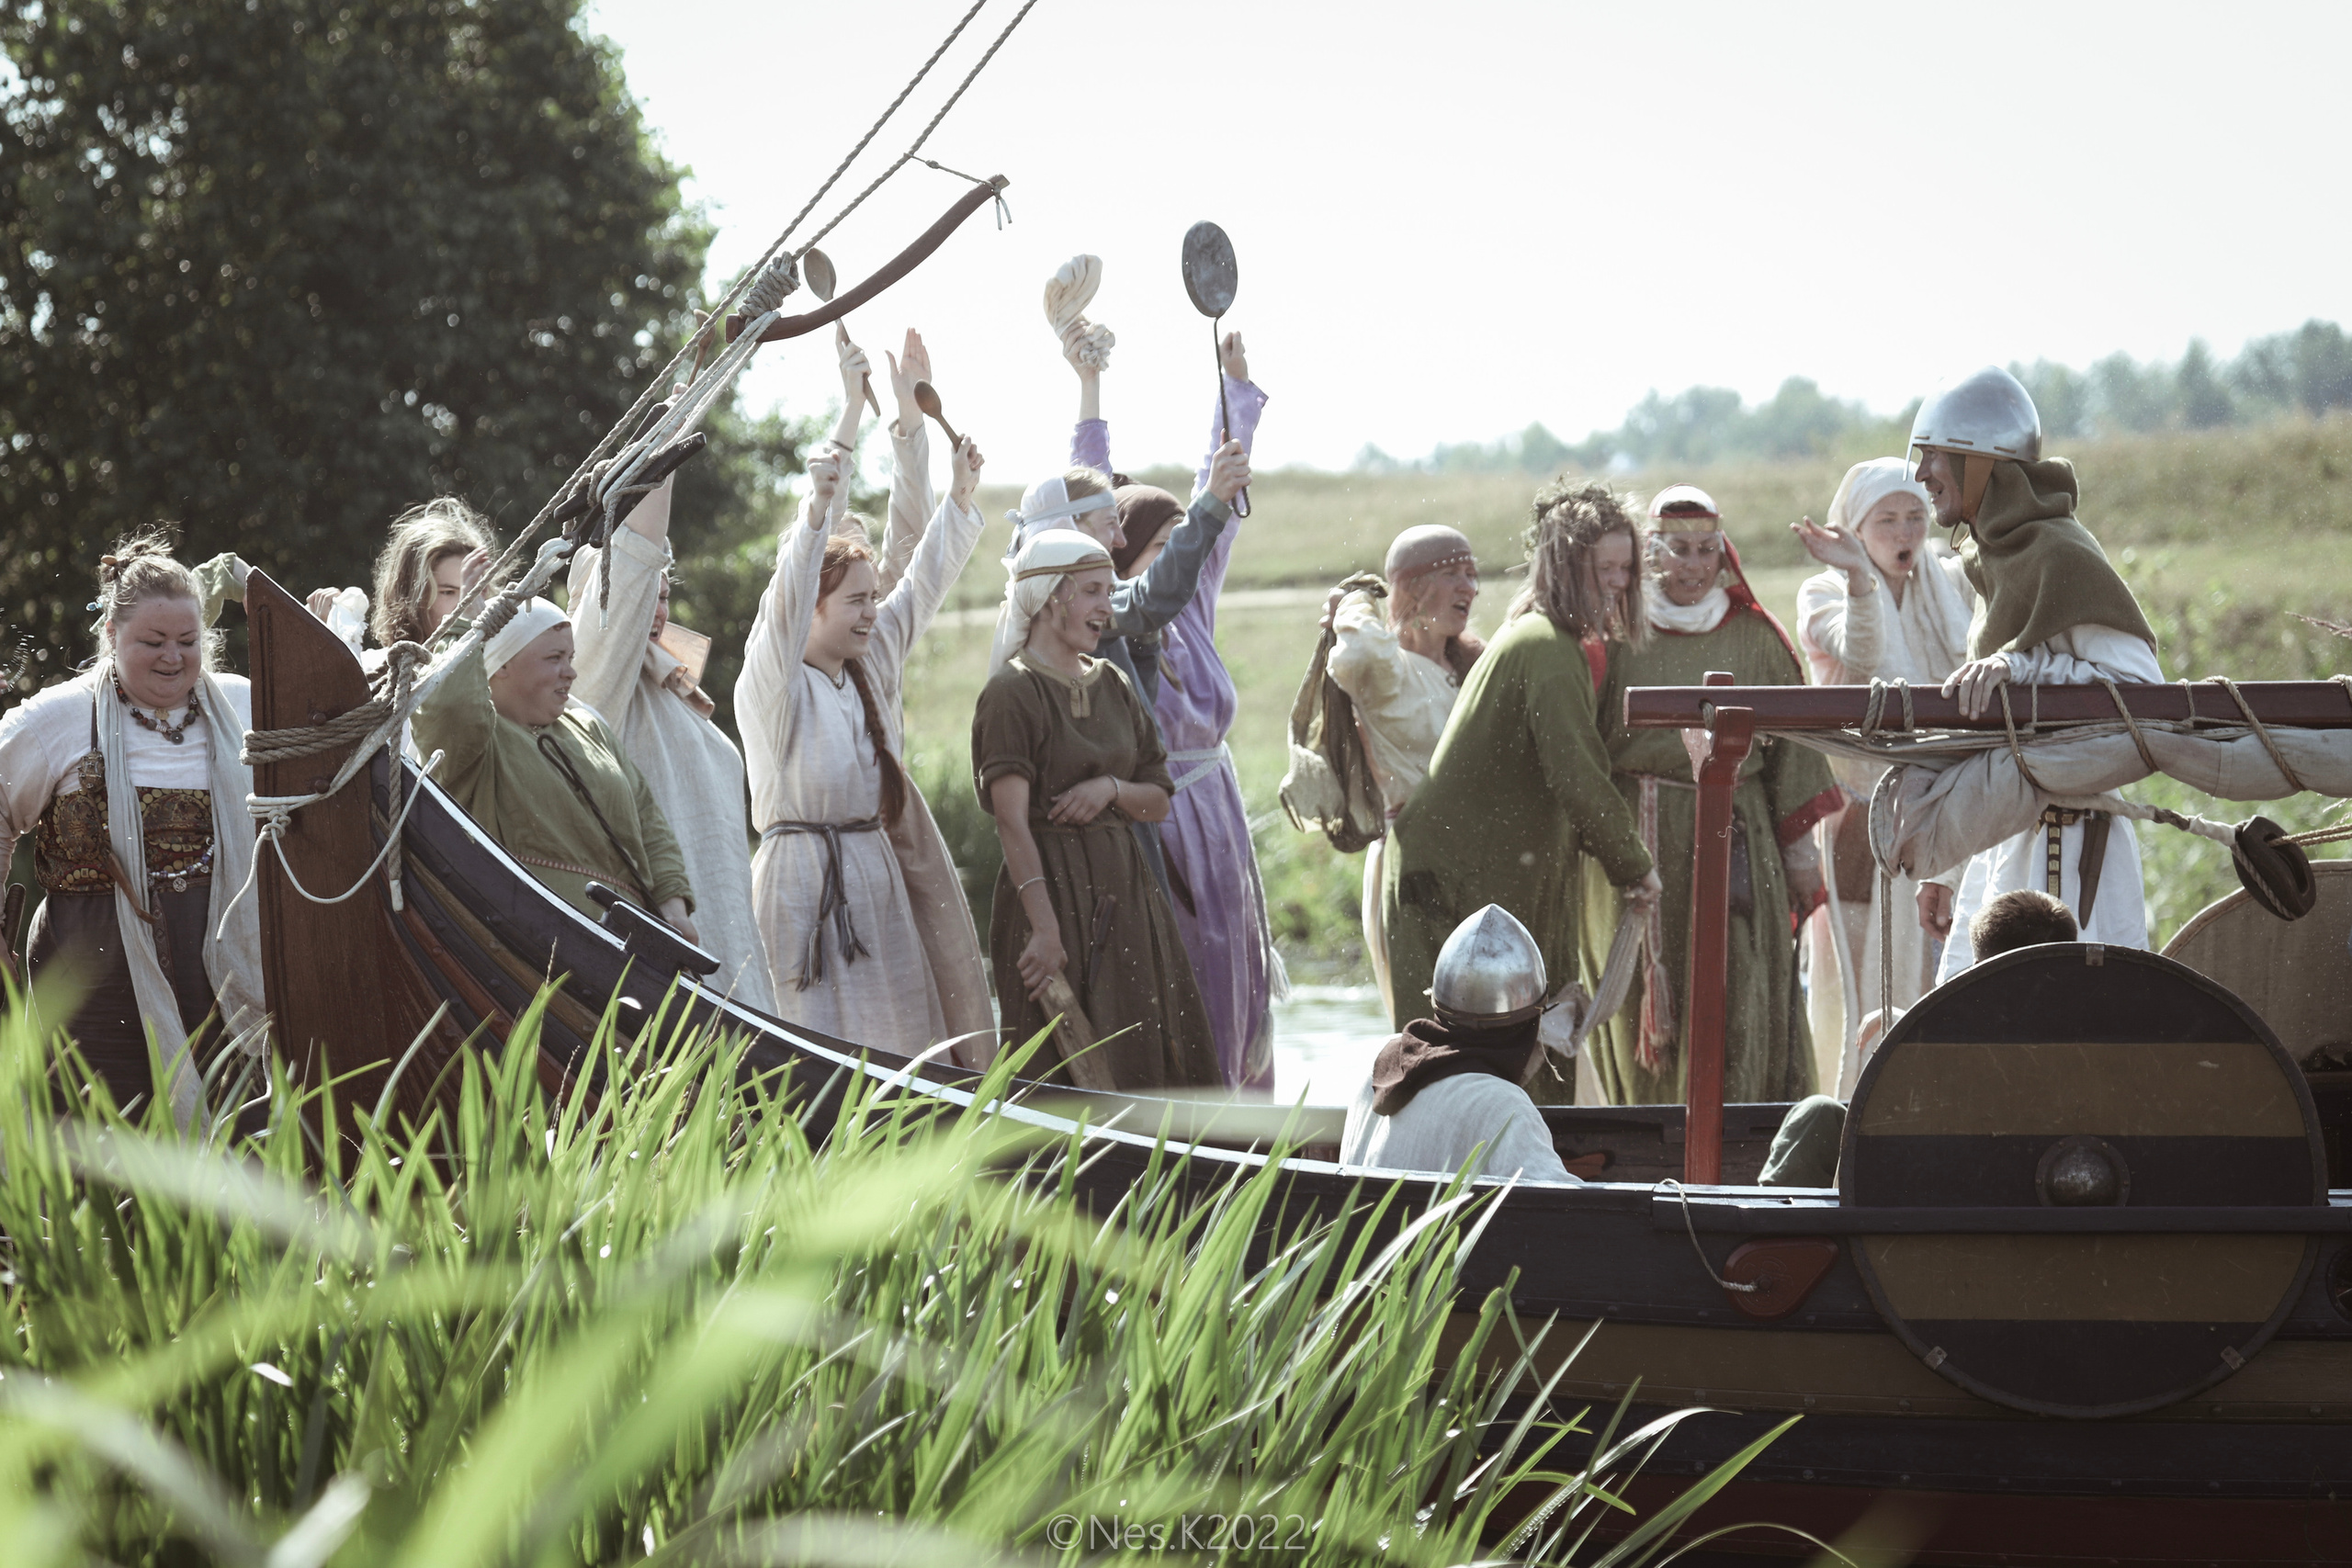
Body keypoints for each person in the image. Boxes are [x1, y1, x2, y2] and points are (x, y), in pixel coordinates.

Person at [1383, 479, 1663, 1108]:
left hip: (1490, 880)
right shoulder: (1544, 647)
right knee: (1451, 1080)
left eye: (1626, 567)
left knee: (1511, 1066)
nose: (1619, 582)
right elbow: (1578, 774)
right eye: (1605, 568)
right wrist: (1635, 867)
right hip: (1450, 889)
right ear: (1568, 567)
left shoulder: (1544, 640)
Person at [740, 419, 989, 1055]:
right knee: (809, 1050)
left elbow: (922, 586)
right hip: (799, 885)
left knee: (897, 1048)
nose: (871, 611)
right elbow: (787, 591)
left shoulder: (867, 669)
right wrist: (819, 509)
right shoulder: (774, 682)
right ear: (813, 609)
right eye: (855, 600)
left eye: (871, 597)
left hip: (873, 880)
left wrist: (959, 497)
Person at [1586, 484, 1840, 1108]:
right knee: (1633, 997)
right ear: (1652, 552)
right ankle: (1643, 1141)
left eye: (1705, 549)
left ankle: (1740, 1131)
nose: (1694, 565)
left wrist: (1801, 854)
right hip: (1633, 833)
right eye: (1678, 550)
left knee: (1736, 984)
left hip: (1732, 830)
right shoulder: (1616, 634)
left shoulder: (1754, 635)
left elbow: (1794, 745)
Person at [1909, 367, 2163, 980]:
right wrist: (1948, 866)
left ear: (1979, 462)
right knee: (1983, 1033)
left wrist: (2020, 664)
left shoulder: (2061, 554)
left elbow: (2142, 688)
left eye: (1935, 456)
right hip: (2009, 838)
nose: (1921, 475)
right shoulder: (1998, 561)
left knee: (2076, 1030)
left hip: (2073, 847)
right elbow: (1992, 725)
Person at [0, 533, 265, 1120]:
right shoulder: (60, 718)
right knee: (102, 1141)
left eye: (188, 641)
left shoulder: (245, 708)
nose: (173, 657)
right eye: (153, 641)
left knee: (234, 1137)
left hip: (222, 976)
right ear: (112, 636)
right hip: (91, 978)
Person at [971, 528, 1219, 1089]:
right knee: (1058, 1070)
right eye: (1092, 592)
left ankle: (1167, 1175)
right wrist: (1044, 930)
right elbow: (1011, 821)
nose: (1106, 608)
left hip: (1127, 894)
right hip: (1051, 899)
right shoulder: (1012, 693)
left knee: (1148, 1049)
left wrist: (1110, 788)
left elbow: (1156, 799)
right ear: (1050, 597)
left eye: (1109, 592)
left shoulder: (1113, 683)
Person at [1112, 331, 1278, 1091]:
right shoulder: (1112, 624)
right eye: (1159, 550)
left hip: (1220, 809)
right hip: (1163, 819)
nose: (1181, 560)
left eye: (1182, 545)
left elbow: (1221, 504)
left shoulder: (1195, 610)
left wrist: (1233, 395)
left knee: (1239, 959)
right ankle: (1200, 1125)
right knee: (1189, 962)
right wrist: (1087, 385)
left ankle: (1250, 1127)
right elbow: (1087, 496)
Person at [1791, 457, 1976, 1091]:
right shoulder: (1822, 592)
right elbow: (1864, 659)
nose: (1904, 532)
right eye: (1887, 519)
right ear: (1855, 527)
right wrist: (1857, 580)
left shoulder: (1952, 586)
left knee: (1933, 971)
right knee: (1852, 982)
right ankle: (1848, 1109)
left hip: (1946, 806)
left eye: (1915, 516)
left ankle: (1929, 1104)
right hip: (1859, 814)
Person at [565, 468, 775, 1013]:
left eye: (665, 594)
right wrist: (666, 461)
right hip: (670, 968)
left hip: (734, 960)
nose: (655, 609)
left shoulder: (675, 692)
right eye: (645, 596)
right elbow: (630, 570)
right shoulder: (595, 681)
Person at [410, 592, 696, 939]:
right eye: (555, 657)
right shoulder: (474, 742)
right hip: (532, 945)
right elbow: (449, 706)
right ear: (502, 662)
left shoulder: (589, 728)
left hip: (632, 946)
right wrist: (468, 626)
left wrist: (673, 908)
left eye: (571, 657)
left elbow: (649, 821)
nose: (571, 672)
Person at [1758, 888, 2078, 1188]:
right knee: (1819, 1114)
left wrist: (1918, 1038)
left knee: (1821, 1118)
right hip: (1945, 1174)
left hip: (1952, 1188)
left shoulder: (1995, 1040)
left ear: (1983, 969)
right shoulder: (2082, 1030)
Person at [1325, 525, 1483, 1020]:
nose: (1468, 588)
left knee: (1490, 1012)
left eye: (1472, 575)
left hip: (1471, 855)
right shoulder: (1389, 671)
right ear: (1413, 587)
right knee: (1430, 1019)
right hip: (1413, 863)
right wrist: (1355, 600)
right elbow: (1356, 653)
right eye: (1453, 574)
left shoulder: (1472, 667)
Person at [1340, 904, 1578, 1183]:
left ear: (1438, 1006)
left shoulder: (1378, 1063)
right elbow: (1567, 1211)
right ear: (1529, 1026)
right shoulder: (1502, 1107)